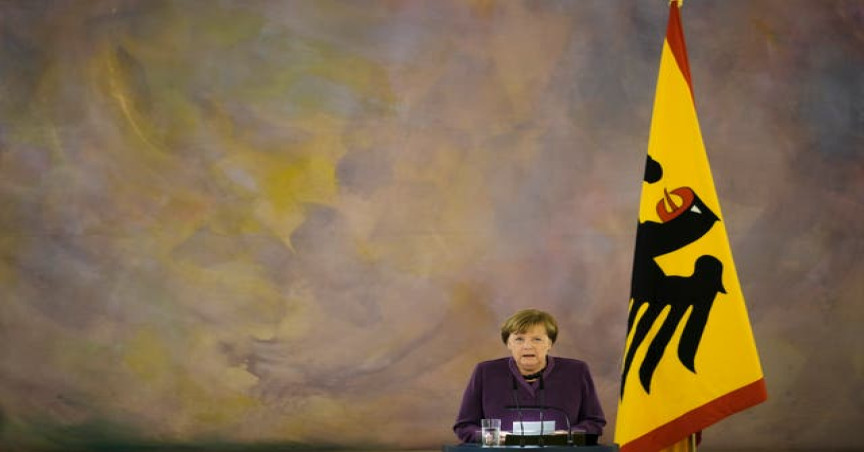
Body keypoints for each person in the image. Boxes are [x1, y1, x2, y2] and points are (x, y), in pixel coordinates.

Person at [452, 308, 606, 444]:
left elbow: (595, 422)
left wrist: (569, 435)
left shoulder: (576, 371)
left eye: (537, 339)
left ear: (550, 343)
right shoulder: (485, 372)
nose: (528, 346)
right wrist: (490, 436)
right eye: (519, 339)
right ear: (508, 344)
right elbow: (464, 426)